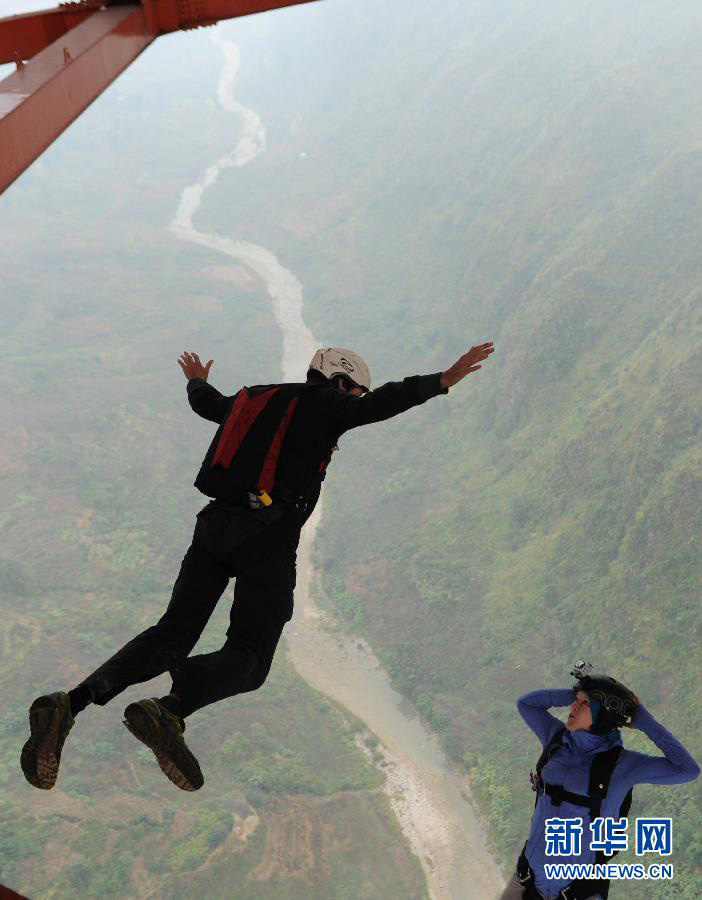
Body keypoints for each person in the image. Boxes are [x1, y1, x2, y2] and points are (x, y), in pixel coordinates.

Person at [21, 342, 495, 792]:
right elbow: (380, 406)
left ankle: (71, 704)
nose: (357, 399)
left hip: (213, 527)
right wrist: (442, 379)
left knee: (171, 634)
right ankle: (171, 708)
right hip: (265, 538)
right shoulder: (327, 404)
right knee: (250, 656)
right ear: (340, 382)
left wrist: (196, 381)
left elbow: (210, 405)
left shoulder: (258, 399)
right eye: (355, 390)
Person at [501, 663, 700, 899]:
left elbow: (687, 769)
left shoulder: (623, 766)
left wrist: (642, 719)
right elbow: (526, 704)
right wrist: (578, 692)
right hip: (526, 880)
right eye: (576, 700)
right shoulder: (556, 738)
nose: (573, 706)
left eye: (584, 703)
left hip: (576, 893)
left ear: (603, 715)